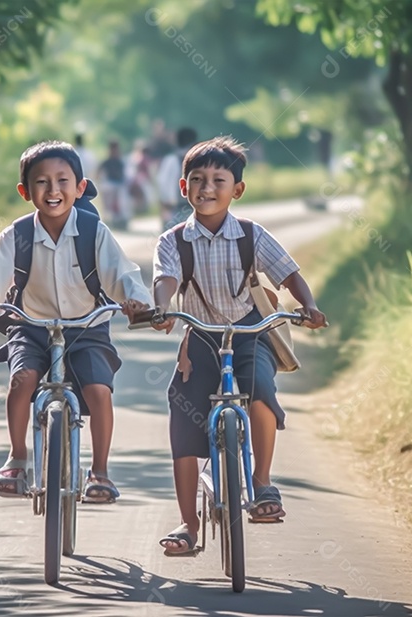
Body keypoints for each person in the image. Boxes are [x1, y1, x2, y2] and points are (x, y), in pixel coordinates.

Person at [149, 136, 327, 555]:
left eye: (218, 180)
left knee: (261, 390)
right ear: (183, 187)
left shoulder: (251, 234)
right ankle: (187, 524)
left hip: (250, 331)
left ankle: (263, 484)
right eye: (197, 179)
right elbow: (165, 281)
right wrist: (162, 308)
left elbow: (287, 274)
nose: (206, 188)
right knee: (182, 406)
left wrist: (310, 305)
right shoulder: (172, 241)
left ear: (237, 190)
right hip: (200, 336)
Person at [0, 140, 152, 504]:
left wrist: (136, 302)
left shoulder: (95, 232)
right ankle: (17, 458)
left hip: (86, 327)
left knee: (99, 391)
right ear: (25, 191)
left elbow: (122, 274)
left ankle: (100, 472)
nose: (53, 190)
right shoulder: (15, 236)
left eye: (63, 181)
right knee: (22, 380)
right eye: (42, 182)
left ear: (80, 187)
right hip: (31, 325)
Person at [156, 127, 198, 229]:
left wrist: (164, 202)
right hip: (196, 205)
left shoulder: (171, 159)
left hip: (176, 206)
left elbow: (162, 182)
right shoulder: (199, 158)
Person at [99, 139, 130, 230]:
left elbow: (125, 176)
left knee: (122, 201)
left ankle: (121, 221)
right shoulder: (107, 162)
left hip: (120, 185)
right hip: (109, 185)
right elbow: (98, 173)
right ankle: (109, 219)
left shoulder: (121, 162)